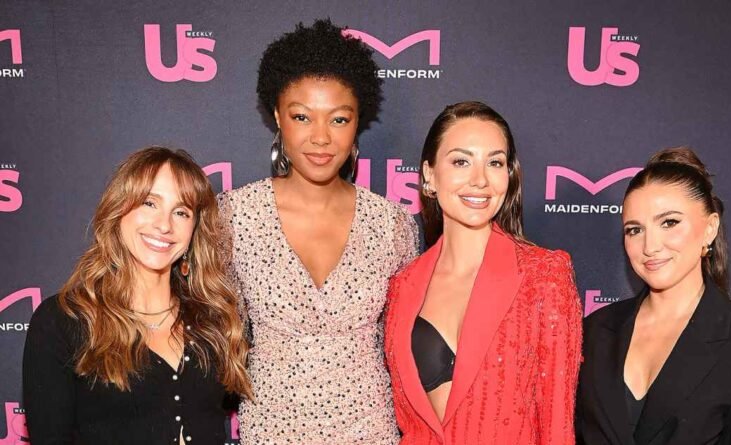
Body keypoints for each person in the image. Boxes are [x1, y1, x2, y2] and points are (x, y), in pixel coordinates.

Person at [217, 19, 418, 444]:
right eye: (302, 117)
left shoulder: (392, 225)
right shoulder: (233, 215)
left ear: (357, 122)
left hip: (369, 427)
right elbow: (216, 329)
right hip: (271, 427)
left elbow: (402, 344)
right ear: (278, 116)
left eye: (339, 119)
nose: (321, 138)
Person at [383, 101, 583, 444]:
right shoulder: (403, 285)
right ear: (429, 175)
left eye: (495, 162)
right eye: (461, 161)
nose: (480, 180)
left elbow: (557, 426)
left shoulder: (544, 276)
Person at [23, 147, 252, 445]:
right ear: (119, 210)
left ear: (195, 228)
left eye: (181, 212)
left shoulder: (213, 319)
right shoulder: (64, 321)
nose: (164, 225)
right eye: (149, 203)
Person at [577, 147, 731, 445]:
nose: (650, 246)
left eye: (669, 223)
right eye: (635, 230)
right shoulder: (593, 331)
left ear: (710, 229)